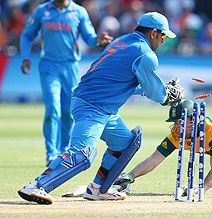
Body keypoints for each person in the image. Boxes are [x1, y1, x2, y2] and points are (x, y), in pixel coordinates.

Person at [18, 11, 182, 205]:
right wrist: (166, 96)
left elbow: (121, 82)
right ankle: (37, 185)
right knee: (82, 155)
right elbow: (157, 94)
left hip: (100, 107)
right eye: (163, 35)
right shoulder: (145, 54)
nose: (163, 41)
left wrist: (159, 92)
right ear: (154, 33)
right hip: (92, 106)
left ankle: (97, 189)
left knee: (126, 143)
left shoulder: (123, 41)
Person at [20, 0, 113, 166]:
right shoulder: (42, 11)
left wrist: (98, 39)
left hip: (70, 67)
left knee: (68, 111)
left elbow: (89, 38)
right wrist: (26, 56)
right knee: (52, 108)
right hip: (49, 66)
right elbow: (27, 35)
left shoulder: (79, 12)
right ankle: (51, 153)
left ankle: (64, 150)